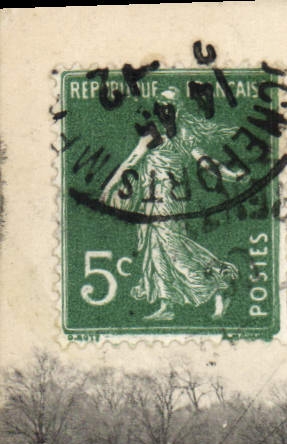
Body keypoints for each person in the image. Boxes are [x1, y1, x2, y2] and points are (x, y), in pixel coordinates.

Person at [98, 88, 244, 321]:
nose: (164, 108)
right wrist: (109, 187)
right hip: (151, 200)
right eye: (161, 103)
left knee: (174, 251)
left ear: (177, 108)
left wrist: (230, 174)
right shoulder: (152, 133)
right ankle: (167, 306)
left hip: (171, 201)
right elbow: (132, 161)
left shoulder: (184, 135)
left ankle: (220, 286)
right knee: (155, 251)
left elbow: (205, 161)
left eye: (169, 103)